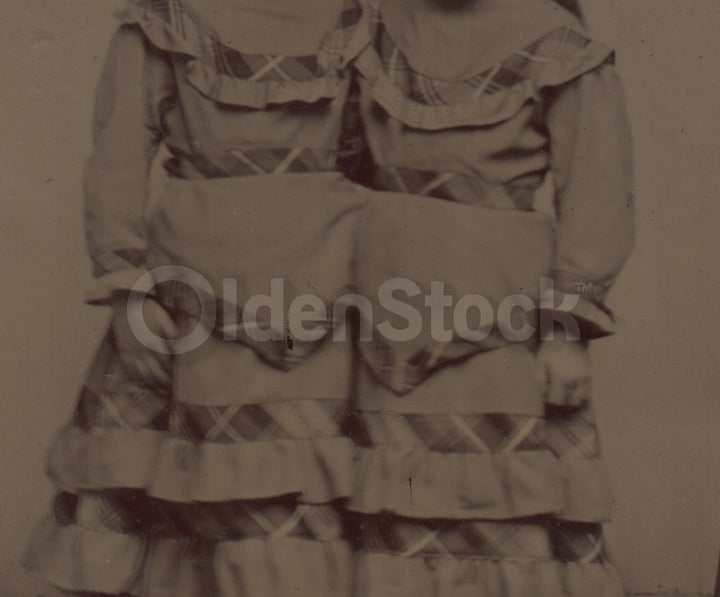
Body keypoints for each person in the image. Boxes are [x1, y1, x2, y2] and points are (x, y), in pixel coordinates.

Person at [23, 0, 634, 596]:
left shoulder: (519, 37)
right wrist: (129, 293)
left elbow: (597, 198)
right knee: (247, 521)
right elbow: (117, 166)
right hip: (223, 308)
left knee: (443, 522)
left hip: (456, 320)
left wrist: (567, 328)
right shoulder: (319, 18)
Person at [346, 0, 633, 595]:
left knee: (497, 524)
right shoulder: (373, 25)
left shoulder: (557, 43)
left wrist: (567, 332)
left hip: (500, 318)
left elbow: (597, 198)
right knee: (383, 517)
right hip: (382, 313)